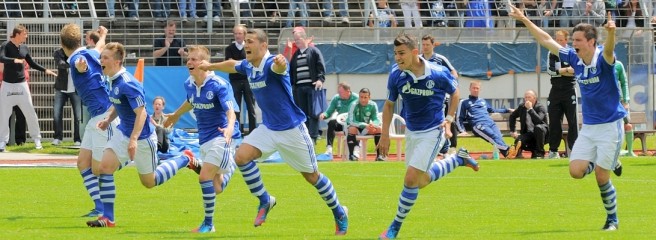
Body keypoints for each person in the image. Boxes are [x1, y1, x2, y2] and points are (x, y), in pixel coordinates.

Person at [198, 28, 349, 235]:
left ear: (263, 46)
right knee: (241, 156)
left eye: (251, 41)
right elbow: (233, 65)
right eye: (246, 41)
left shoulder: (271, 64)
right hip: (268, 128)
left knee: (312, 176)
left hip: (291, 130)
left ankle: (339, 212)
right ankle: (265, 200)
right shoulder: (249, 66)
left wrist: (282, 63)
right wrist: (210, 65)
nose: (247, 45)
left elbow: (280, 68)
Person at [510, 6, 624, 231]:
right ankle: (607, 160)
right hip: (590, 128)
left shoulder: (603, 58)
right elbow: (545, 40)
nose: (573, 44)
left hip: (611, 125)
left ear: (591, 42)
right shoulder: (574, 58)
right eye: (573, 40)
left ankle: (613, 220)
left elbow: (610, 50)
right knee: (576, 172)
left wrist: (611, 33)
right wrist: (524, 18)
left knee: (601, 176)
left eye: (578, 40)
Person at [377, 33, 479, 239]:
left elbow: (456, 93)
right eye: (395, 53)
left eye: (401, 53)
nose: (397, 57)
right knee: (420, 181)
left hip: (434, 130)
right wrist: (384, 134)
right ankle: (457, 159)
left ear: (415, 52)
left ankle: (394, 227)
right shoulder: (396, 74)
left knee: (410, 178)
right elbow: (388, 105)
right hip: (412, 131)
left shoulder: (438, 73)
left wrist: (449, 119)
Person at [86, 42, 198, 228]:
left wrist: (134, 140)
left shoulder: (128, 83)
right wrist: (108, 120)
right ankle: (108, 218)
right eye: (101, 57)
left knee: (149, 182)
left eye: (105, 58)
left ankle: (185, 158)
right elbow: (118, 102)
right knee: (104, 167)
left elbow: (142, 113)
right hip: (123, 133)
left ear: (117, 61)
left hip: (144, 138)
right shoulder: (112, 79)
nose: (101, 61)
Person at [164, 45, 240, 233]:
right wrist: (175, 115)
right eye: (189, 59)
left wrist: (230, 127)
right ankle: (232, 166)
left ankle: (208, 224)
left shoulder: (219, 85)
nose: (190, 62)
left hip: (222, 136)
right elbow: (191, 101)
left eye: (194, 59)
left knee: (204, 178)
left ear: (205, 63)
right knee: (216, 186)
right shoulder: (189, 83)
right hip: (204, 138)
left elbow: (231, 111)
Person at [60, 23, 114, 217]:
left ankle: (122, 159)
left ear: (62, 44)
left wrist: (80, 67)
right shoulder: (92, 52)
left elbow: (79, 64)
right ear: (80, 40)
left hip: (104, 116)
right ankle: (99, 207)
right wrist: (104, 35)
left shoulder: (76, 58)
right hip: (96, 116)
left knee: (100, 169)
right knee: (83, 163)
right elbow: (100, 47)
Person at [0, 25, 57, 152]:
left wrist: (45, 70)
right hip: (7, 85)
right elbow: (1, 57)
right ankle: (2, 142)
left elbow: (31, 63)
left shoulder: (25, 48)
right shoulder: (6, 45)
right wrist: (15, 60)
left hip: (22, 84)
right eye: (25, 34)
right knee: (3, 114)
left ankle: (37, 140)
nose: (26, 36)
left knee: (30, 112)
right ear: (18, 34)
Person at [421, 34, 459, 154]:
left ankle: (448, 147)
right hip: (424, 96)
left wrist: (449, 86)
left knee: (443, 120)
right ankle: (435, 148)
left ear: (433, 45)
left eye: (427, 45)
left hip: (439, 97)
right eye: (423, 45)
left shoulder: (440, 59)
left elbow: (454, 73)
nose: (425, 47)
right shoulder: (418, 59)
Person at [456, 81, 512, 158]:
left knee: (498, 137)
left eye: (477, 88)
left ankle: (508, 154)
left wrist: (507, 110)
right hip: (478, 125)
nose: (475, 90)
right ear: (470, 89)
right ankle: (509, 150)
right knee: (493, 136)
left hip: (490, 123)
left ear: (480, 90)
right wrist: (462, 130)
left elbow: (492, 110)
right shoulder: (464, 102)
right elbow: (459, 118)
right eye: (474, 88)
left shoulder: (482, 101)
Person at [545, 30, 578, 159]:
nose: (558, 42)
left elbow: (575, 70)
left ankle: (574, 150)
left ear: (566, 40)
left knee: (572, 121)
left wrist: (562, 71)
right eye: (556, 40)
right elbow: (550, 70)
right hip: (555, 90)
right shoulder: (552, 52)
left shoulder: (572, 52)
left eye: (560, 40)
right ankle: (553, 151)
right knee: (554, 121)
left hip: (569, 89)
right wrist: (565, 70)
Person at [290, 30, 326, 144]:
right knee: (302, 114)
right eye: (295, 40)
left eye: (298, 39)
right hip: (299, 88)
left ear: (305, 39)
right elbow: (291, 72)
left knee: (314, 113)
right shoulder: (295, 55)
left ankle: (314, 136)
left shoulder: (314, 51)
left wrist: (320, 80)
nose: (297, 42)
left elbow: (321, 66)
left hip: (312, 87)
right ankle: (304, 137)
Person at [225, 25, 256, 135]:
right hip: (234, 81)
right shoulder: (229, 49)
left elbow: (250, 63)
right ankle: (237, 132)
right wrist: (243, 63)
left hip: (248, 80)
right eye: (236, 33)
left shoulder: (249, 48)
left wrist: (236, 62)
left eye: (240, 33)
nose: (237, 36)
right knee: (235, 108)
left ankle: (253, 133)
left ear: (244, 35)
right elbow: (229, 64)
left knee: (251, 108)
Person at [52, 47, 82, 146]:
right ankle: (57, 138)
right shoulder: (58, 52)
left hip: (76, 89)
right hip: (61, 88)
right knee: (57, 113)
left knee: (78, 116)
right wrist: (75, 64)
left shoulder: (80, 52)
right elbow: (61, 64)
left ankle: (78, 139)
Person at [318, 82, 358, 155]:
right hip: (340, 123)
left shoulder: (356, 98)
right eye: (338, 92)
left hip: (352, 123)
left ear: (348, 91)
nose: (339, 94)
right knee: (331, 123)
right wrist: (324, 115)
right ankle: (329, 148)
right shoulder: (336, 98)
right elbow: (329, 111)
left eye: (341, 92)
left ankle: (355, 150)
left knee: (355, 126)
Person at [507, 90, 549, 159]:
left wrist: (530, 109)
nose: (527, 99)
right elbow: (512, 116)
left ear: (534, 98)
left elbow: (538, 121)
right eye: (525, 97)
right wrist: (513, 130)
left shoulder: (540, 107)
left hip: (542, 134)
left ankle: (540, 153)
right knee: (519, 141)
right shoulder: (522, 107)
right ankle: (532, 152)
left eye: (529, 97)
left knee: (538, 127)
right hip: (529, 133)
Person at [345, 88, 383, 161]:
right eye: (361, 97)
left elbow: (377, 119)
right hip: (352, 127)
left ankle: (379, 155)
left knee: (378, 129)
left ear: (369, 97)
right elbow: (351, 121)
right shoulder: (353, 104)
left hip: (366, 128)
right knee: (352, 128)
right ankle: (352, 155)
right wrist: (364, 125)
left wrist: (373, 125)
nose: (363, 100)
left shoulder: (373, 105)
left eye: (365, 97)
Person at [614, 60, 636, 157]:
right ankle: (614, 151)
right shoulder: (599, 64)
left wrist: (626, 101)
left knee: (628, 125)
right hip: (606, 103)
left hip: (619, 102)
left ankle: (630, 152)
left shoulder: (618, 65)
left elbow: (624, 83)